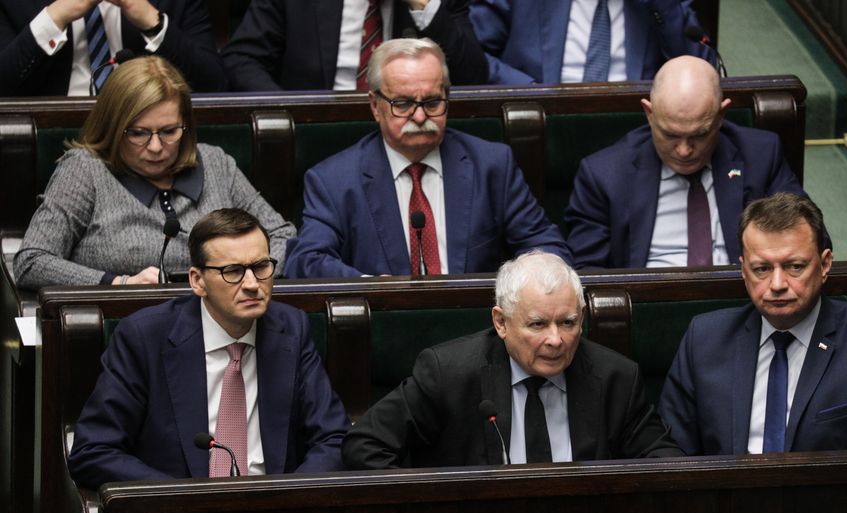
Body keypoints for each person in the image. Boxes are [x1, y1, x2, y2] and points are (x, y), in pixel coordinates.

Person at [68, 208, 349, 489]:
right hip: (177, 506)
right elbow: (93, 451)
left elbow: (333, 438)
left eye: (261, 267)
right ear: (197, 281)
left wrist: (288, 498)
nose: (252, 284)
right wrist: (185, 499)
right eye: (233, 271)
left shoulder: (291, 329)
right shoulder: (144, 337)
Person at [341, 250, 681, 469]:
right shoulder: (449, 373)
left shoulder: (615, 377)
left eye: (568, 323)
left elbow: (666, 463)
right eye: (537, 324)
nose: (556, 339)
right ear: (501, 322)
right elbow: (365, 445)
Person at [658, 193, 847, 455]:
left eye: (795, 267)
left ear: (825, 265)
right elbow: (670, 449)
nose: (777, 284)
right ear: (743, 270)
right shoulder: (705, 339)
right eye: (762, 269)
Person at [283, 38, 570, 278]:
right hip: (382, 323)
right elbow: (306, 260)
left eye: (432, 102)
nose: (420, 116)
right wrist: (369, 288)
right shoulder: (334, 180)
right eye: (403, 104)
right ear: (375, 106)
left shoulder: (491, 165)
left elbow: (548, 248)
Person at [14, 55, 295, 290]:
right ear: (113, 128)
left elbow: (282, 235)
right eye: (138, 133)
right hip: (123, 323)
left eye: (169, 131)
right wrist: (119, 284)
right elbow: (32, 262)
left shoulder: (215, 163)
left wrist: (246, 279)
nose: (156, 147)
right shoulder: (85, 170)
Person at [565, 55, 813, 269]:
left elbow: (810, 238)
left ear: (721, 115)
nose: (684, 151)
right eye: (670, 135)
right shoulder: (604, 175)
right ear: (649, 114)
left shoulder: (760, 155)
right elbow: (587, 272)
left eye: (699, 135)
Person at [220, 0, 488, 91]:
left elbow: (473, 76)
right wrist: (292, 111)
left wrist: (422, 5)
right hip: (318, 132)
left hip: (410, 131)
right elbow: (241, 60)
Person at [0, 0, 225, 96]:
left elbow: (213, 85)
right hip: (48, 136)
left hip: (148, 138)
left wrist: (152, 23)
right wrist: (54, 18)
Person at [469, 0, 715, 85]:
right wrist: (531, 92)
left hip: (639, 130)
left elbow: (702, 70)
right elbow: (472, 55)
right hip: (536, 122)